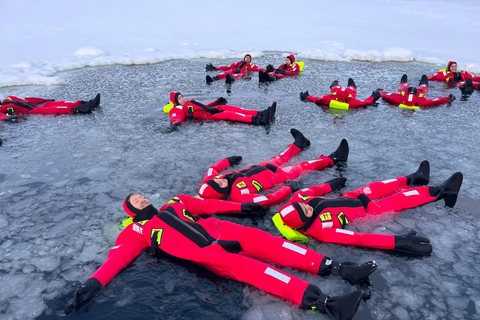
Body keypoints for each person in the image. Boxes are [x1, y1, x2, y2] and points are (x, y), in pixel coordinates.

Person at [65, 193, 378, 320]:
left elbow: (209, 205)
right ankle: (326, 304)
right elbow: (116, 259)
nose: (142, 199)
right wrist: (95, 282)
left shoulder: (174, 203)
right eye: (136, 200)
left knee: (274, 245)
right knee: (256, 270)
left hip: (226, 232)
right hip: (210, 253)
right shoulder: (136, 232)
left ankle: (339, 268)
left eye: (142, 195)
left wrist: (243, 208)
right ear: (130, 210)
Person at [274, 160, 463, 255]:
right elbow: (360, 238)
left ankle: (414, 178)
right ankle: (441, 191)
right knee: (399, 200)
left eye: (303, 206)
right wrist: (398, 242)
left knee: (379, 185)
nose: (308, 207)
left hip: (351, 198)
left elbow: (312, 190)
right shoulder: (321, 232)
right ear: (303, 223)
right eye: (307, 212)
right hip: (368, 211)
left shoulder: (299, 200)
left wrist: (332, 184)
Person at [197, 129, 349, 206]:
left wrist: (227, 161)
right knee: (303, 166)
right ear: (221, 195)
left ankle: (299, 144)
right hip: (277, 177)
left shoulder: (214, 181)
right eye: (220, 185)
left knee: (280, 157)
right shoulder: (238, 197)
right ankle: (334, 158)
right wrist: (288, 188)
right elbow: (268, 199)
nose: (221, 181)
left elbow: (212, 170)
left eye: (217, 181)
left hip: (260, 168)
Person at [165, 91, 276, 130]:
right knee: (229, 114)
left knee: (230, 108)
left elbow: (204, 105)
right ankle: (259, 120)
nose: (182, 99)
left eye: (182, 96)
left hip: (210, 110)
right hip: (208, 117)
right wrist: (176, 124)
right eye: (179, 98)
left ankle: (260, 113)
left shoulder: (189, 101)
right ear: (175, 101)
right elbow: (176, 117)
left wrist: (216, 102)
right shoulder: (177, 109)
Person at [380, 74, 455, 108]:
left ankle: (404, 81)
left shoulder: (398, 98)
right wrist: (448, 98)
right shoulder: (422, 102)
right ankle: (423, 83)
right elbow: (436, 101)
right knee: (423, 88)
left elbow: (387, 95)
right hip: (417, 92)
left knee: (402, 87)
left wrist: (380, 92)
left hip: (406, 91)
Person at [299, 78, 382, 109]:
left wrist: (307, 96)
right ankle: (351, 86)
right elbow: (365, 103)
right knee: (351, 90)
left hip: (336, 95)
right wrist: (374, 96)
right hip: (348, 97)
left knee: (337, 89)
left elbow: (317, 99)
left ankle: (335, 86)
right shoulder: (351, 102)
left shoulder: (329, 98)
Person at [0, 94, 100, 116]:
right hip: (30, 112)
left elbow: (28, 100)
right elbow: (1, 116)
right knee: (49, 109)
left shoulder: (8, 99)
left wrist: (44, 100)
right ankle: (81, 109)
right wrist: (7, 118)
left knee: (48, 104)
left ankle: (84, 103)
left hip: (34, 107)